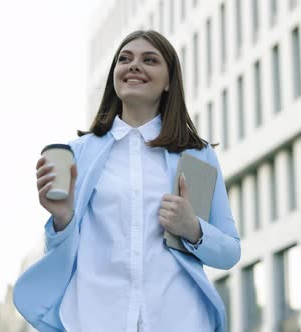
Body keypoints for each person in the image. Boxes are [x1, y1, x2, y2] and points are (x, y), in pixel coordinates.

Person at [13, 30, 241, 332]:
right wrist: (62, 218)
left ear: (169, 81)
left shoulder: (195, 157)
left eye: (150, 60)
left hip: (178, 319)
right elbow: (59, 250)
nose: (134, 65)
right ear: (114, 77)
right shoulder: (78, 154)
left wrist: (193, 229)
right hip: (94, 319)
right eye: (125, 59)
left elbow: (229, 252)